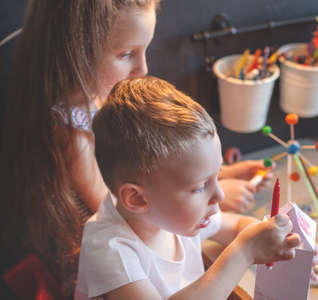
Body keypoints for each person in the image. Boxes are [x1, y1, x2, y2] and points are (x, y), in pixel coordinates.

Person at [0, 0, 270, 294]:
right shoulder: (72, 134)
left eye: (145, 49)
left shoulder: (100, 98)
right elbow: (123, 199)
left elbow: (154, 177)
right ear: (76, 50)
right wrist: (212, 201)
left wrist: (217, 174)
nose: (143, 68)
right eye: (127, 54)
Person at [75, 76, 300, 299]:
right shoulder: (109, 248)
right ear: (137, 199)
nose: (219, 195)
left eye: (217, 175)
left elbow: (238, 226)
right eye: (201, 186)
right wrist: (244, 252)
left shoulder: (174, 215)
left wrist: (274, 239)